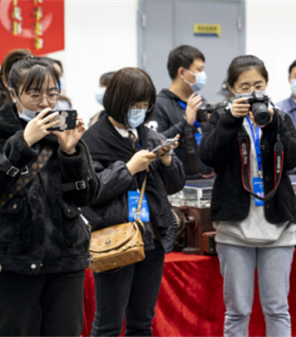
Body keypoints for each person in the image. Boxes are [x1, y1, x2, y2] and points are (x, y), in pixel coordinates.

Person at [0, 54, 100, 336]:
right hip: (12, 260)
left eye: (52, 93)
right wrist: (23, 142)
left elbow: (89, 194)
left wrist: (72, 153)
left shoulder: (66, 129)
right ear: (13, 93)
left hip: (65, 258)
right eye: (34, 94)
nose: (45, 102)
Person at [198, 55, 296, 337]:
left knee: (277, 308)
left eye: (258, 84)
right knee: (238, 311)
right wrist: (231, 121)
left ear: (267, 84)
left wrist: (270, 128)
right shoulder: (220, 118)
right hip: (234, 226)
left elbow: (293, 158)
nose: (252, 91)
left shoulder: (279, 117)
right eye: (244, 86)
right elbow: (207, 158)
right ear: (232, 88)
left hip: (278, 223)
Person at [81, 67, 185, 336]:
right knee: (108, 324)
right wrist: (128, 168)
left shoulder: (149, 135)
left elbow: (174, 186)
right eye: (133, 104)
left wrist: (167, 161)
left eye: (144, 105)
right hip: (114, 238)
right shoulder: (93, 139)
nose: (139, 110)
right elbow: (92, 191)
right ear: (116, 100)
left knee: (142, 323)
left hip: (152, 237)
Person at [150, 45, 213, 180]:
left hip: (207, 180)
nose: (203, 75)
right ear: (182, 72)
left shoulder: (201, 102)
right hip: (176, 185)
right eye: (199, 70)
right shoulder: (158, 104)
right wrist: (185, 123)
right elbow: (153, 145)